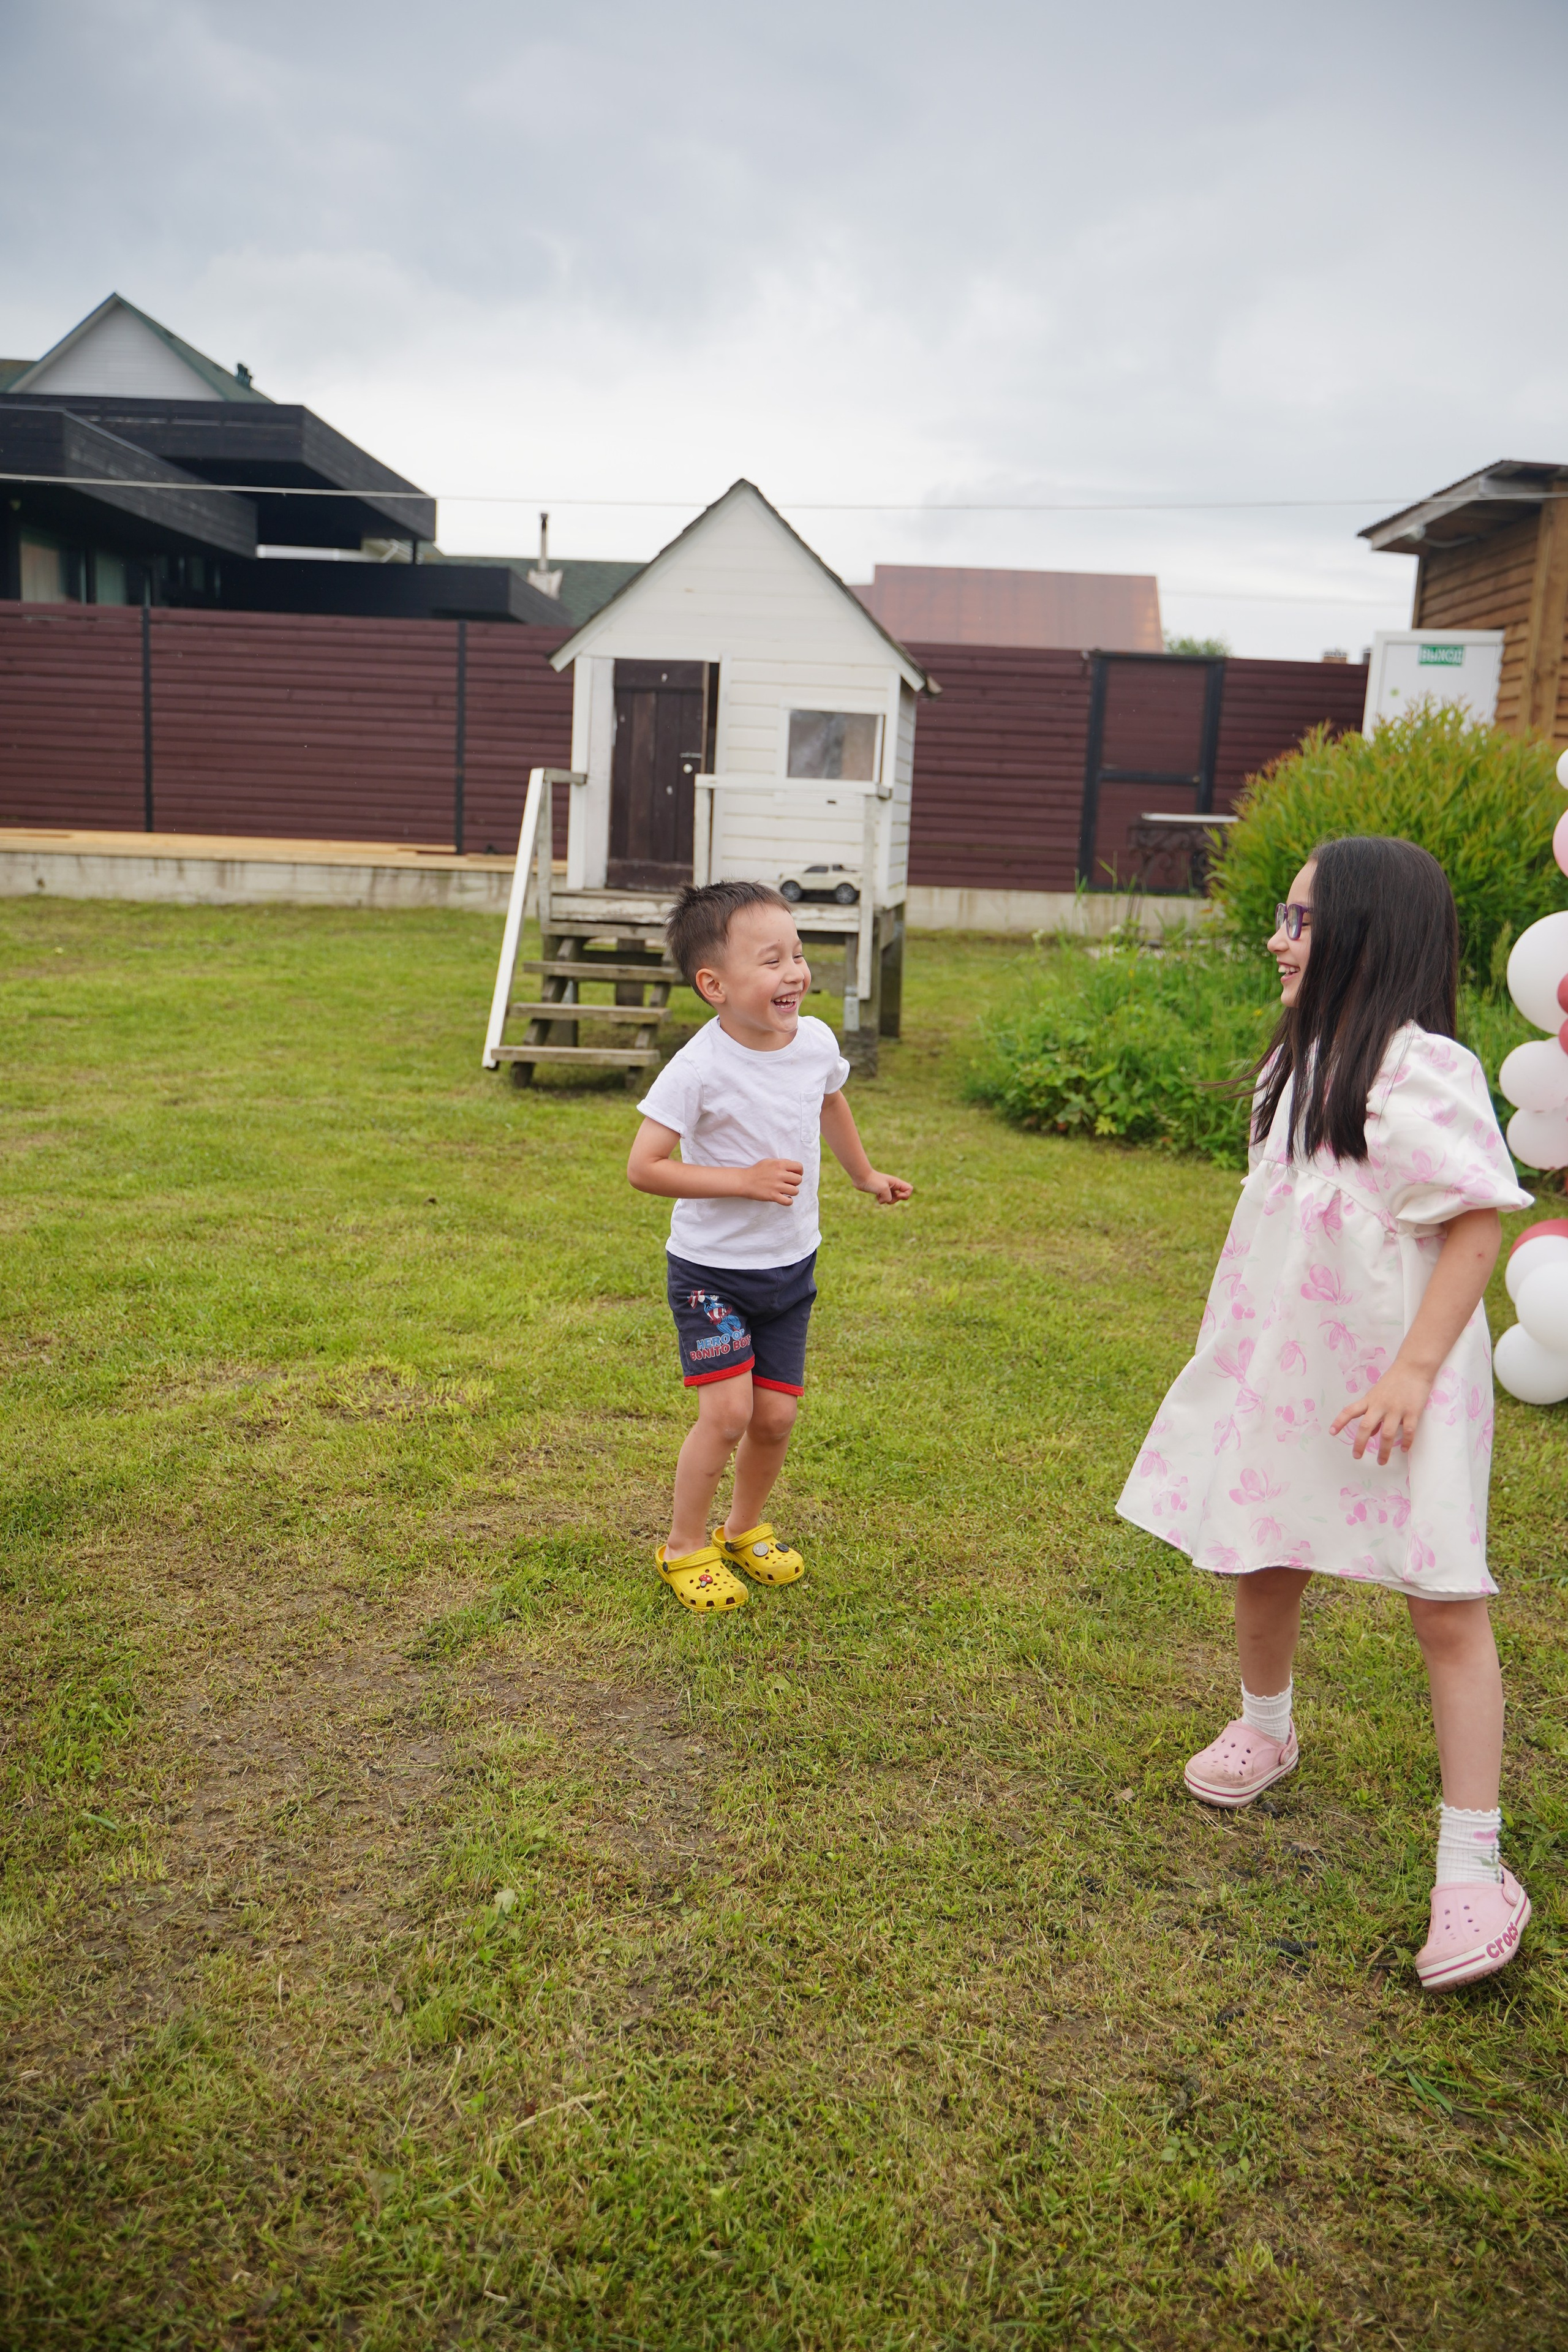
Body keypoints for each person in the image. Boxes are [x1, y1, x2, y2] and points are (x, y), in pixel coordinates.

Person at [1118, 836, 1534, 1992]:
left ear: (1364, 934)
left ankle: (1473, 1864)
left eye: (1297, 921)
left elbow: (1474, 1226)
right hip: (1291, 1375)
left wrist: (1411, 1370)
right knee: (1266, 1553)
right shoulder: (1292, 1067)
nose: (1275, 938)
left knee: (1445, 1605)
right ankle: (1268, 1724)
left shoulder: (1424, 1072)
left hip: (1401, 1389)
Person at [628, 880, 912, 1611]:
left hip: (791, 1266)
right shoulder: (697, 1068)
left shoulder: (814, 1040)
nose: (794, 972)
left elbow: (830, 1102)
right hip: (710, 1276)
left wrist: (865, 1174)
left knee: (776, 1417)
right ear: (714, 985)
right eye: (771, 960)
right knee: (725, 1416)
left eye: (798, 954)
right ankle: (684, 1547)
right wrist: (741, 1181)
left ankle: (742, 1528)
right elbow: (644, 1166)